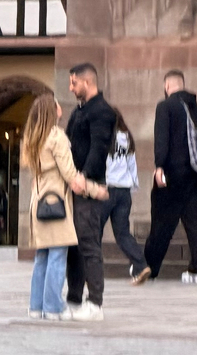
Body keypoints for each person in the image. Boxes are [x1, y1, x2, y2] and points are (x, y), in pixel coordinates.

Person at [23, 91, 104, 323]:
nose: (61, 107)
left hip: (38, 202)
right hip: (56, 201)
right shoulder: (56, 137)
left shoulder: (32, 138)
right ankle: (53, 307)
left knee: (42, 256)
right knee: (58, 254)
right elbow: (70, 175)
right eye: (57, 105)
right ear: (52, 111)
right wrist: (96, 190)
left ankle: (36, 306)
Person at [135, 70, 197, 285]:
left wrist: (159, 166)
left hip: (170, 172)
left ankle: (149, 267)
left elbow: (162, 138)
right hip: (191, 173)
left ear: (167, 86)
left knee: (161, 222)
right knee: (195, 223)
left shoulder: (165, 106)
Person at [62, 63, 116, 318]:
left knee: (88, 244)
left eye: (74, 83)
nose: (71, 88)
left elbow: (99, 148)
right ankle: (74, 299)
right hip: (72, 185)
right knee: (73, 245)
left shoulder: (102, 111)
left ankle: (95, 303)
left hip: (88, 187)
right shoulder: (78, 111)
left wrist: (83, 177)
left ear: (87, 82)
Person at [99, 109, 146, 278]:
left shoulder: (104, 137)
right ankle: (140, 264)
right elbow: (132, 165)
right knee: (122, 233)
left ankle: (91, 268)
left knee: (95, 230)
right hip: (124, 190)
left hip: (107, 189)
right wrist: (133, 187)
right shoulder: (126, 137)